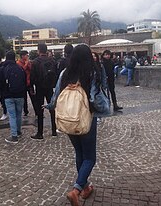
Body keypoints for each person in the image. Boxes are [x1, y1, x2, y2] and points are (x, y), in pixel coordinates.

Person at [44, 44, 98, 206]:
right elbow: (96, 98)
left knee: (79, 153)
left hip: (68, 118)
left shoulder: (65, 73)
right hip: (85, 118)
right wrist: (105, 110)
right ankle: (76, 190)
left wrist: (50, 106)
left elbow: (56, 95)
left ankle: (86, 186)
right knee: (90, 157)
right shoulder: (92, 73)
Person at [0, 50, 26, 144]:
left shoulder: (2, 69)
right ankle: (18, 131)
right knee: (18, 114)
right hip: (20, 95)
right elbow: (24, 81)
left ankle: (14, 136)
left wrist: (3, 93)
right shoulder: (20, 68)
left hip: (8, 95)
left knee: (12, 115)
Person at [30, 43, 58, 140]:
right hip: (50, 87)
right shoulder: (52, 61)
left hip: (39, 88)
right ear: (46, 50)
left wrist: (31, 88)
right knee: (52, 108)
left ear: (38, 51)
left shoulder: (35, 62)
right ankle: (54, 130)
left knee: (40, 110)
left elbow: (32, 77)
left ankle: (40, 133)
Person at [16, 50, 35, 116]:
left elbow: (31, 70)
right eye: (26, 55)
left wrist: (28, 64)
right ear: (22, 56)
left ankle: (36, 110)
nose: (27, 57)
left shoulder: (29, 62)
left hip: (29, 82)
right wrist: (26, 64)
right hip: (23, 83)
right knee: (24, 98)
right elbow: (22, 70)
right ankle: (25, 111)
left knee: (33, 97)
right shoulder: (18, 63)